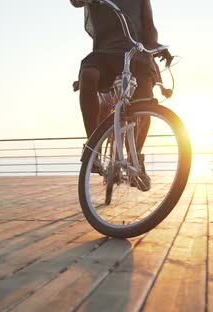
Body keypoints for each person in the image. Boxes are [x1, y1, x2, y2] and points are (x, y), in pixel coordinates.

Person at [70, 0, 172, 191]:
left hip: (137, 55)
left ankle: (136, 159)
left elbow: (149, 26)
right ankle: (93, 147)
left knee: (144, 106)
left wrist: (156, 46)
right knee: (88, 74)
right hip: (105, 54)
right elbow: (76, 2)